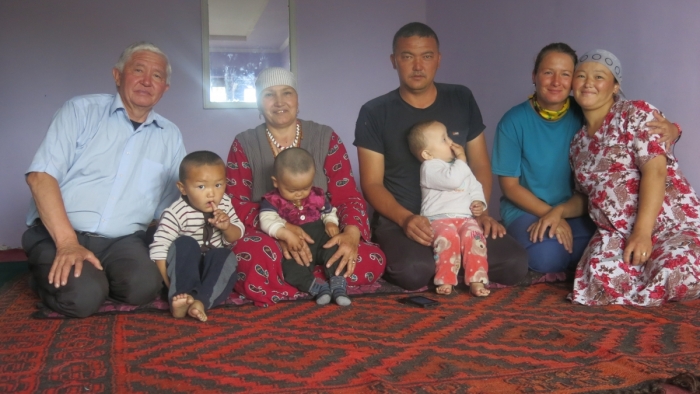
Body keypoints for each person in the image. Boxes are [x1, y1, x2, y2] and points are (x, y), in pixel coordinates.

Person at [354, 22, 528, 291]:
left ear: (438, 59)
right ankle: (452, 265)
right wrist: (405, 219)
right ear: (393, 61)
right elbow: (372, 183)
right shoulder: (375, 112)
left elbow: (479, 163)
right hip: (404, 220)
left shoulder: (461, 98)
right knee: (413, 271)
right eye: (407, 56)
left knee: (514, 264)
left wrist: (479, 208)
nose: (418, 66)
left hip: (463, 215)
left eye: (426, 56)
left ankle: (453, 263)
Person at [22, 42, 186, 318]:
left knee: (144, 288)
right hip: (59, 233)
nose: (147, 81)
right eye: (138, 70)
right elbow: (40, 177)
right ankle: (48, 277)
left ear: (164, 88)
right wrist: (67, 244)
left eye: (157, 76)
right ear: (117, 75)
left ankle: (96, 277)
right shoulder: (80, 111)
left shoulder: (170, 135)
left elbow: (172, 204)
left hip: (123, 241)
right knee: (82, 298)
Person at [491, 43, 680, 275]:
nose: (556, 81)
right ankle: (511, 239)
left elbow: (637, 125)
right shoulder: (513, 121)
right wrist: (551, 214)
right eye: (548, 72)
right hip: (527, 209)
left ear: (573, 81)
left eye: (566, 74)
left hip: (577, 208)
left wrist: (673, 129)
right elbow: (509, 186)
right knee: (548, 258)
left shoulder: (585, 112)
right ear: (534, 76)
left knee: (613, 248)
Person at [225, 67, 385, 307]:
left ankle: (304, 282)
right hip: (270, 235)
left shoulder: (325, 136)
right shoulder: (244, 143)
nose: (279, 102)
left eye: (287, 93)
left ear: (297, 100)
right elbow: (235, 202)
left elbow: (347, 195)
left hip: (321, 233)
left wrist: (351, 233)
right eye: (269, 94)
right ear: (259, 103)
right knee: (250, 258)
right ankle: (325, 282)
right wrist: (281, 231)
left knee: (371, 258)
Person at [568, 49, 700, 306]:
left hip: (668, 224)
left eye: (599, 77)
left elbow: (656, 170)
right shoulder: (577, 144)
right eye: (581, 76)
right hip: (616, 234)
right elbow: (585, 198)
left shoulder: (636, 112)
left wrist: (641, 233)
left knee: (673, 270)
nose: (588, 83)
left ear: (615, 86)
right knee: (595, 279)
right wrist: (554, 213)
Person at [150, 151, 244, 321]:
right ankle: (181, 299)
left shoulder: (225, 203)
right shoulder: (175, 213)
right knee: (185, 243)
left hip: (210, 269)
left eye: (218, 185)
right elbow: (159, 251)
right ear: (182, 188)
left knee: (225, 255)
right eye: (201, 186)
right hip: (184, 271)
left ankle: (201, 301)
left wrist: (227, 226)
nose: (211, 194)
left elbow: (236, 235)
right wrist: (171, 287)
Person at [259, 148, 351, 306]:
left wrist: (330, 222)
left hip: (320, 236)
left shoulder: (317, 195)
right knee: (290, 267)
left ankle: (338, 284)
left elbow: (328, 211)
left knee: (336, 249)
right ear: (276, 182)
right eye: (292, 190)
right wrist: (286, 234)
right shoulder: (272, 200)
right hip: (295, 243)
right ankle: (316, 287)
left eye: (305, 188)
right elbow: (266, 220)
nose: (299, 194)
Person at [407, 120, 490, 296]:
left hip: (466, 218)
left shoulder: (460, 167)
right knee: (448, 238)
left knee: (475, 237)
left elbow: (475, 186)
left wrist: (479, 203)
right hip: (438, 219)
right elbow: (451, 180)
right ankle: (446, 279)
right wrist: (462, 159)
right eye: (444, 139)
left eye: (448, 136)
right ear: (427, 153)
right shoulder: (429, 167)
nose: (451, 142)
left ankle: (477, 279)